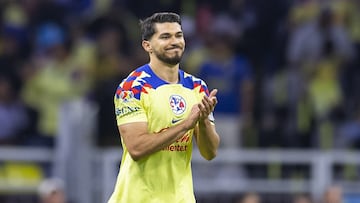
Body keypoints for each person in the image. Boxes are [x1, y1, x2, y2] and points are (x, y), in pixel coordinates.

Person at [108, 12, 220, 203]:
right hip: (137, 198)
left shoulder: (197, 87)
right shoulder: (133, 88)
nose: (174, 41)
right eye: (165, 37)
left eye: (178, 35)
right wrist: (185, 125)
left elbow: (210, 153)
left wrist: (203, 122)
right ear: (147, 45)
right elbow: (136, 148)